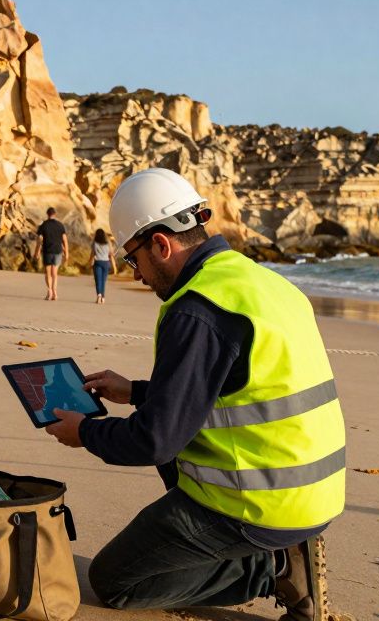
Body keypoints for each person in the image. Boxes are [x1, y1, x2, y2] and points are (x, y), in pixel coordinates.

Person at [43, 168, 345, 621]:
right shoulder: (262, 283)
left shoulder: (196, 309)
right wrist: (137, 392)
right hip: (315, 494)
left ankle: (273, 566)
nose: (139, 275)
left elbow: (154, 441)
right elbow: (237, 389)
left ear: (161, 245)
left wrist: (85, 431)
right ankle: (279, 549)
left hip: (258, 504)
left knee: (116, 583)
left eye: (134, 260)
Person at [33, 207, 68, 301]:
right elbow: (64, 240)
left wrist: (36, 252)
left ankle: (50, 291)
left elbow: (39, 240)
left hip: (47, 251)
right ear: (55, 214)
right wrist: (67, 253)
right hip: (57, 251)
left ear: (47, 214)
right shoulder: (60, 225)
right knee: (54, 273)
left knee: (48, 273)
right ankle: (55, 292)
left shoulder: (43, 225)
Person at [91, 228, 117, 303]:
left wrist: (90, 262)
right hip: (106, 263)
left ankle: (99, 295)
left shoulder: (94, 243)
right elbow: (111, 255)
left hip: (98, 262)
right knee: (103, 281)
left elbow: (92, 254)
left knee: (98, 281)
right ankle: (103, 297)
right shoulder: (108, 243)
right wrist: (114, 266)